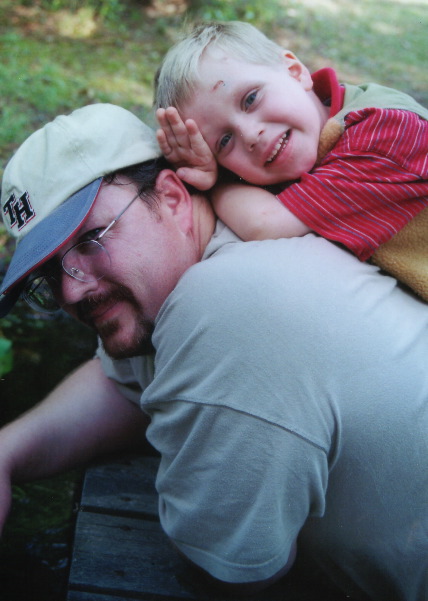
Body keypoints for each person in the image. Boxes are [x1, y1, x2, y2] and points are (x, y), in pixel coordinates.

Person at [0, 103, 427, 601]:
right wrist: (6, 455)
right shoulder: (186, 272)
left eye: (91, 239)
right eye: (50, 272)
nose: (70, 292)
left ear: (173, 198)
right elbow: (120, 384)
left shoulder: (226, 304)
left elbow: (236, 577)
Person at [155, 21, 428, 301]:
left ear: (295, 72)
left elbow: (265, 223)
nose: (250, 135)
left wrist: (213, 182)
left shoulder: (386, 133)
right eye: (224, 142)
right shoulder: (319, 124)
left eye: (250, 99)